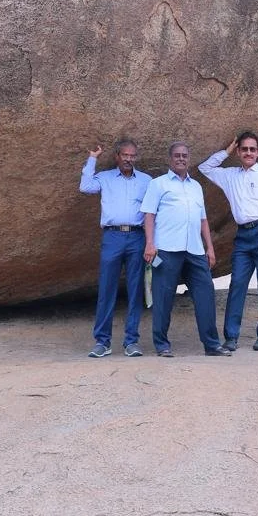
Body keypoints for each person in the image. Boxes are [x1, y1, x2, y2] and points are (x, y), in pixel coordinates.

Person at [140, 142, 227, 357]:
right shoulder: (158, 184)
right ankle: (162, 345)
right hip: (167, 249)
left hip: (195, 250)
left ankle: (212, 345)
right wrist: (150, 244)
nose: (181, 159)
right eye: (177, 155)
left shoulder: (196, 186)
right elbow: (148, 215)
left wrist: (210, 248)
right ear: (170, 159)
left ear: (189, 158)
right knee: (163, 297)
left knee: (205, 294)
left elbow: (203, 219)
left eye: (184, 155)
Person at [198, 132, 258, 351]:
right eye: (244, 149)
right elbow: (204, 168)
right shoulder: (230, 175)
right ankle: (231, 336)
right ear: (238, 152)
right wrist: (225, 151)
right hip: (243, 236)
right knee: (237, 285)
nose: (248, 153)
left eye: (252, 149)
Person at [80, 138, 151, 358]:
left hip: (137, 236)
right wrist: (92, 159)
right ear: (117, 157)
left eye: (132, 156)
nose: (129, 159)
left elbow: (153, 211)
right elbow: (85, 186)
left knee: (135, 290)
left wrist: (151, 241)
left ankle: (131, 341)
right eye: (125, 155)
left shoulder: (146, 180)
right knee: (107, 289)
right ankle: (102, 341)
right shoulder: (105, 177)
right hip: (112, 236)